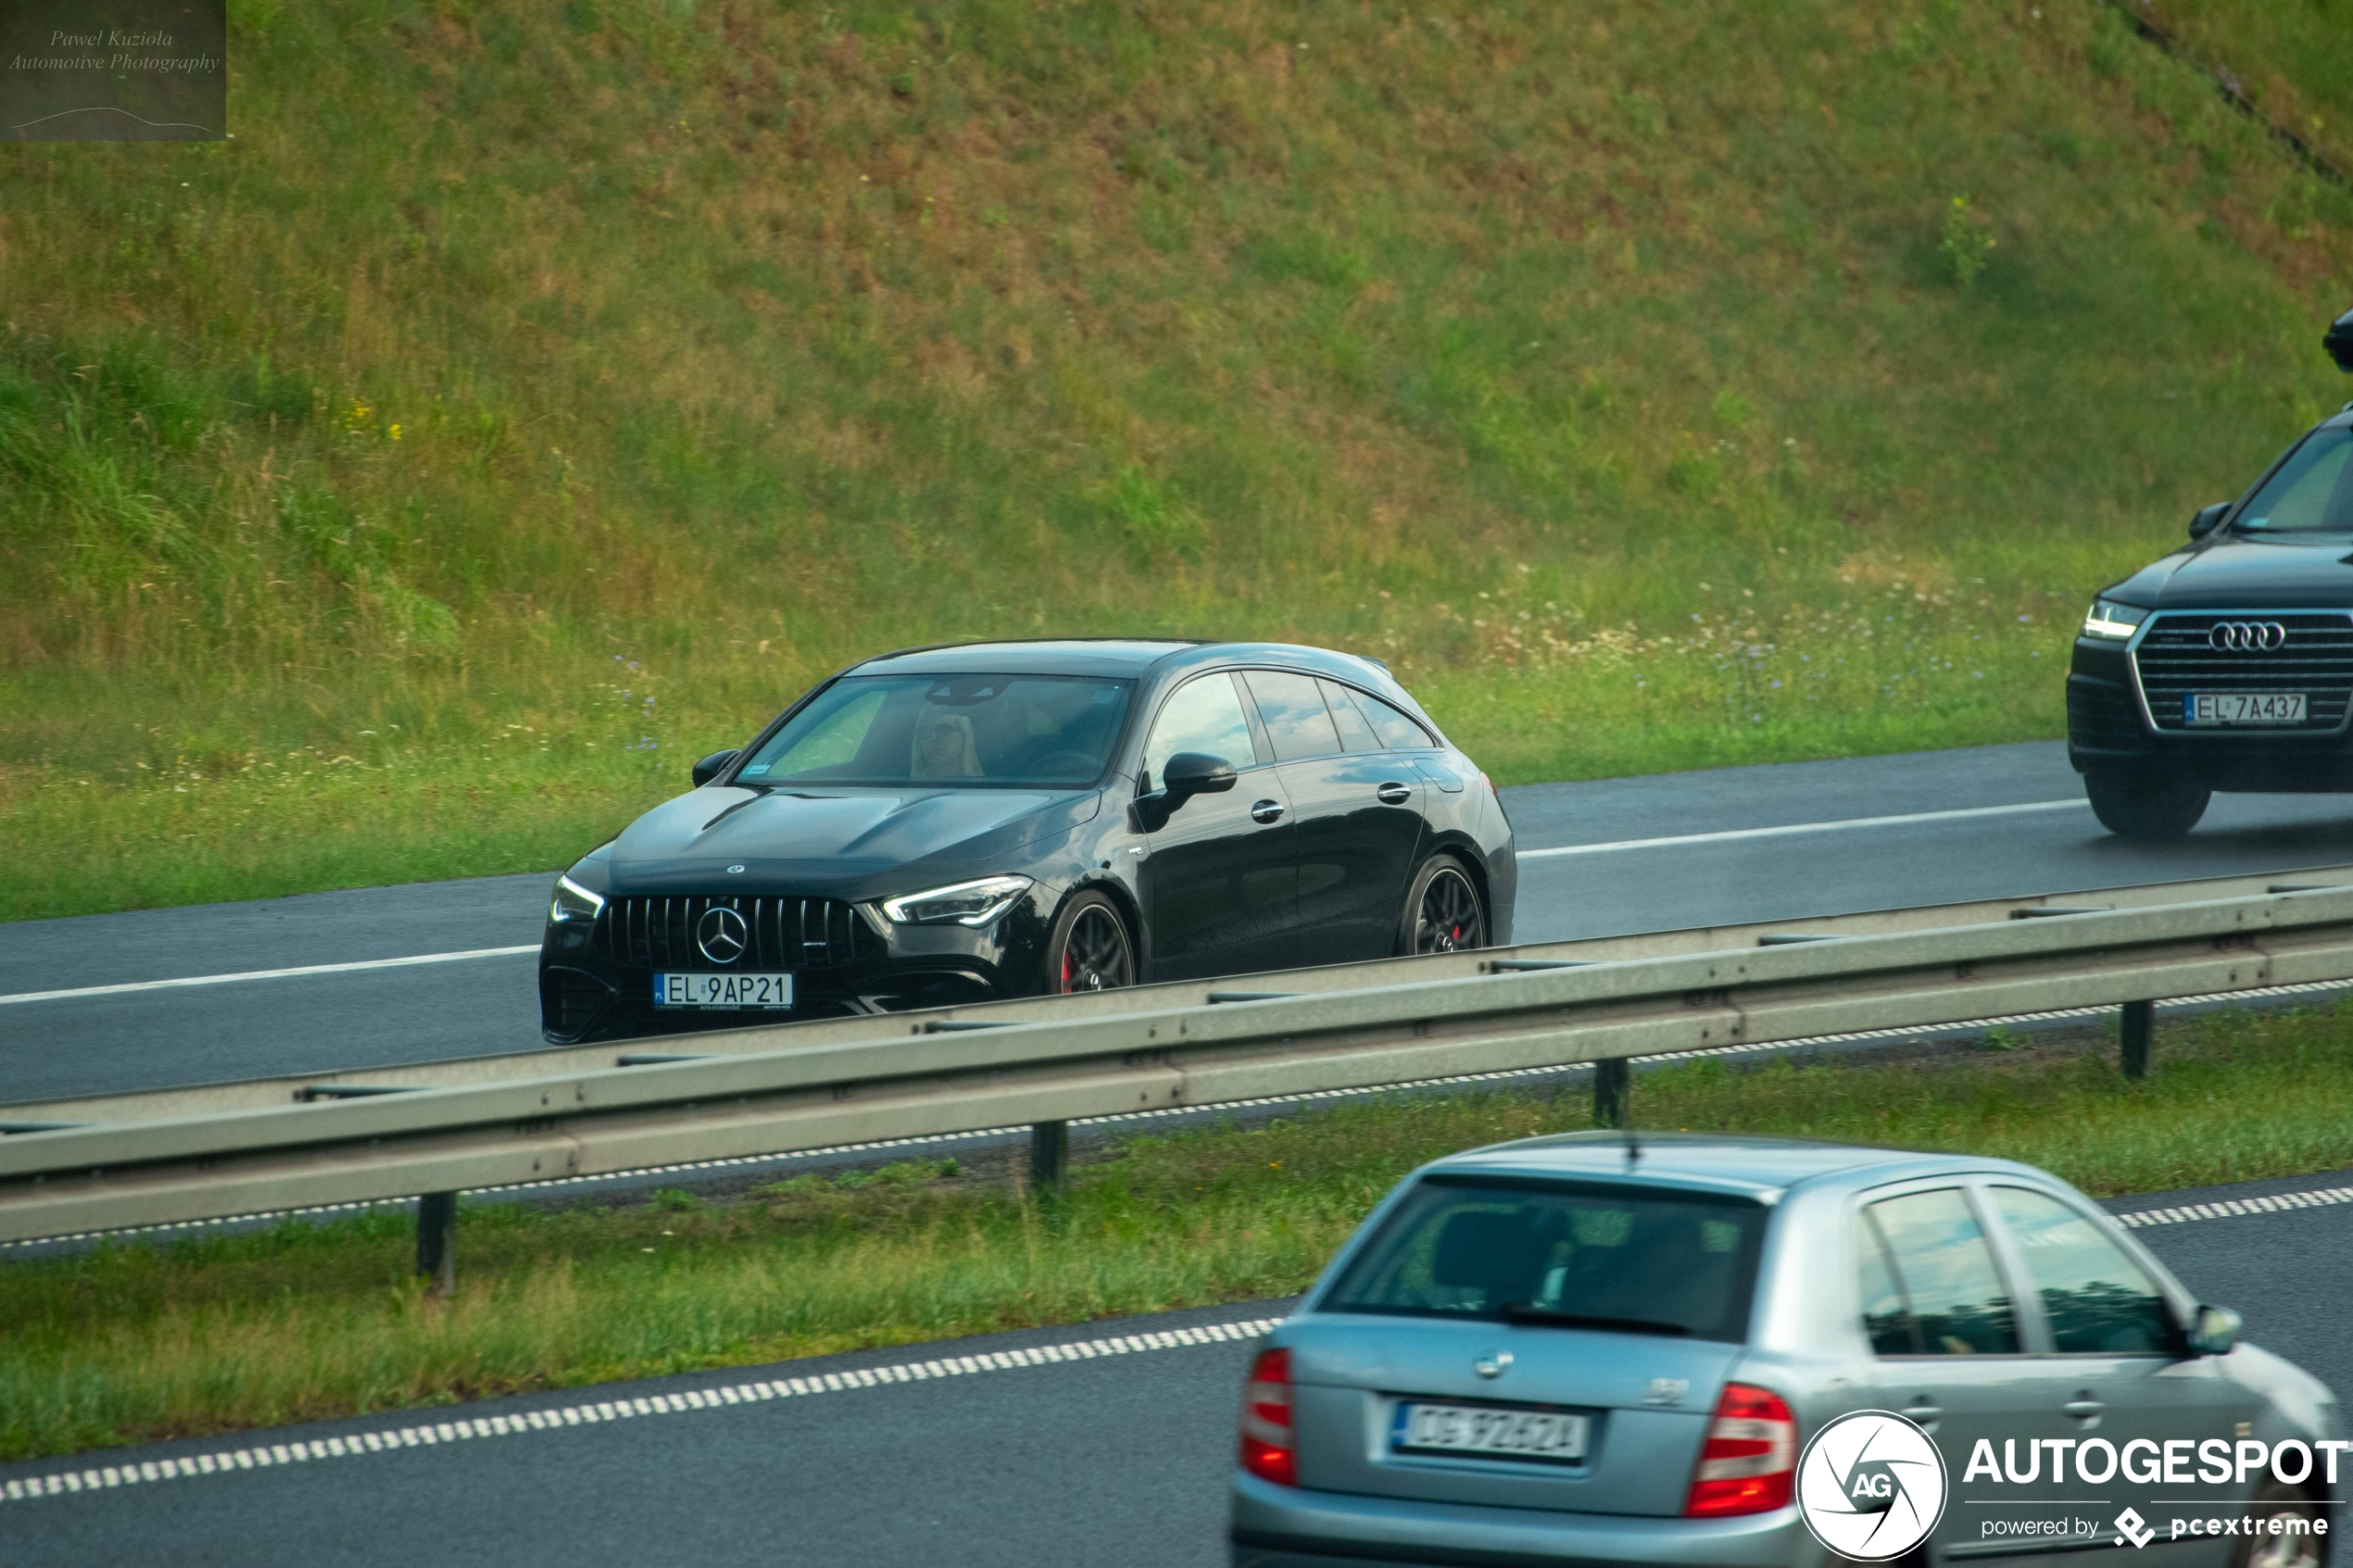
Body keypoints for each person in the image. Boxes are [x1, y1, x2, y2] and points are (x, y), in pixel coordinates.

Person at [911, 708, 983, 778]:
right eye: (925, 731)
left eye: (943, 729)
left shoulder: (987, 786)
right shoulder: (904, 786)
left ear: (964, 735)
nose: (933, 737)